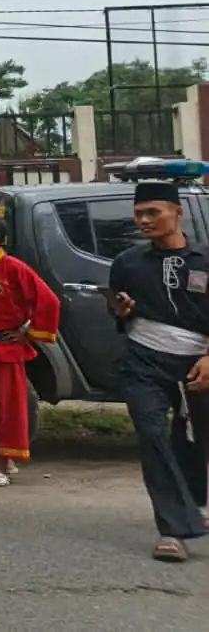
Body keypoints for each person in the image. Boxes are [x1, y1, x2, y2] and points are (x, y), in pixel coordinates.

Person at [106, 180, 209, 562]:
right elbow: (117, 309)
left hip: (197, 362)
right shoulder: (127, 262)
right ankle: (173, 530)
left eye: (153, 213)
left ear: (177, 213)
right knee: (152, 435)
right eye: (139, 215)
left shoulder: (205, 259)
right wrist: (121, 309)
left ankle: (194, 504)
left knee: (194, 437)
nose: (144, 220)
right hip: (143, 361)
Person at [0, 214, 60, 487]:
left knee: (9, 405)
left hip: (4, 347)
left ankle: (3, 462)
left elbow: (48, 301)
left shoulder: (15, 268)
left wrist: (26, 333)